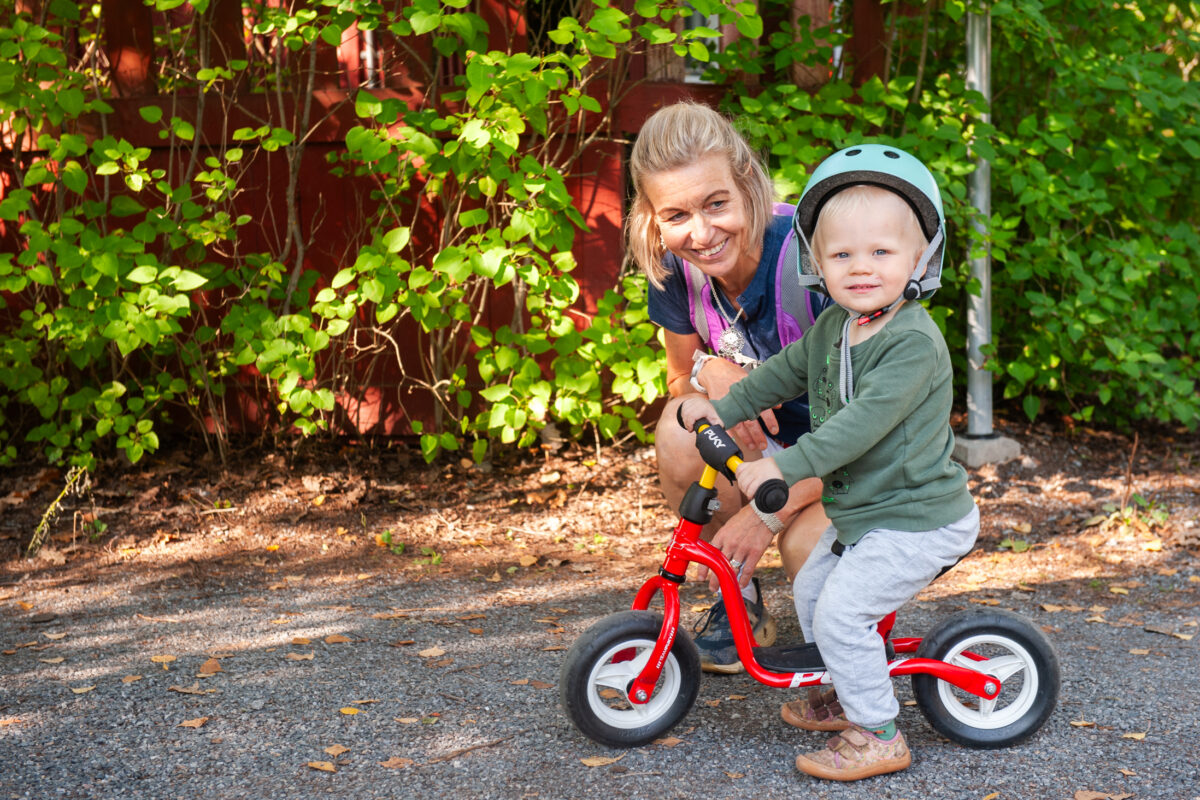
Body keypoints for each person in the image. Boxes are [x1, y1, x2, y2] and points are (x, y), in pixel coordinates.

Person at [677, 143, 979, 781]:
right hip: (868, 511)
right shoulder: (838, 326)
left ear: (919, 258)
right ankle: (852, 688)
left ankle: (879, 733)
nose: (861, 268)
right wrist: (720, 409)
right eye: (842, 254)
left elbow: (857, 429)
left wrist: (784, 467)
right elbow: (780, 375)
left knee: (842, 611)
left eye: (881, 253)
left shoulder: (912, 344)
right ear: (817, 262)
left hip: (918, 517)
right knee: (815, 591)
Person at [627, 102, 832, 674]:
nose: (701, 233)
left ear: (747, 183)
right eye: (676, 214)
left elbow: (877, 424)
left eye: (716, 204)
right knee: (678, 427)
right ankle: (737, 599)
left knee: (804, 552)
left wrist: (764, 518)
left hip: (851, 459)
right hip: (769, 454)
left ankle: (855, 663)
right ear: (653, 217)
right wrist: (707, 372)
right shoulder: (676, 268)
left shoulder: (814, 257)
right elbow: (677, 380)